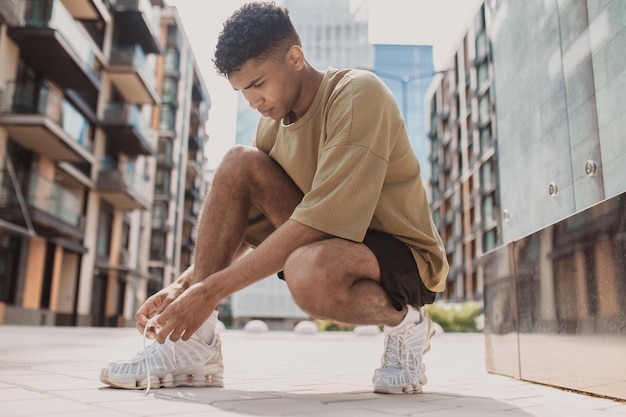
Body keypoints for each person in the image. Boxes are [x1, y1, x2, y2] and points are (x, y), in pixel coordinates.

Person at [100, 1, 448, 395]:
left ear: (295, 58)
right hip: (334, 240)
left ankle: (408, 326)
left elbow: (318, 222)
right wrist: (184, 288)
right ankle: (194, 347)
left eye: (258, 84)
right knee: (237, 163)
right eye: (242, 91)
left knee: (307, 272)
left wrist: (209, 290)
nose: (253, 101)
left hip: (405, 256)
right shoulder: (272, 129)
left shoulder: (357, 95)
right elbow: (245, 228)